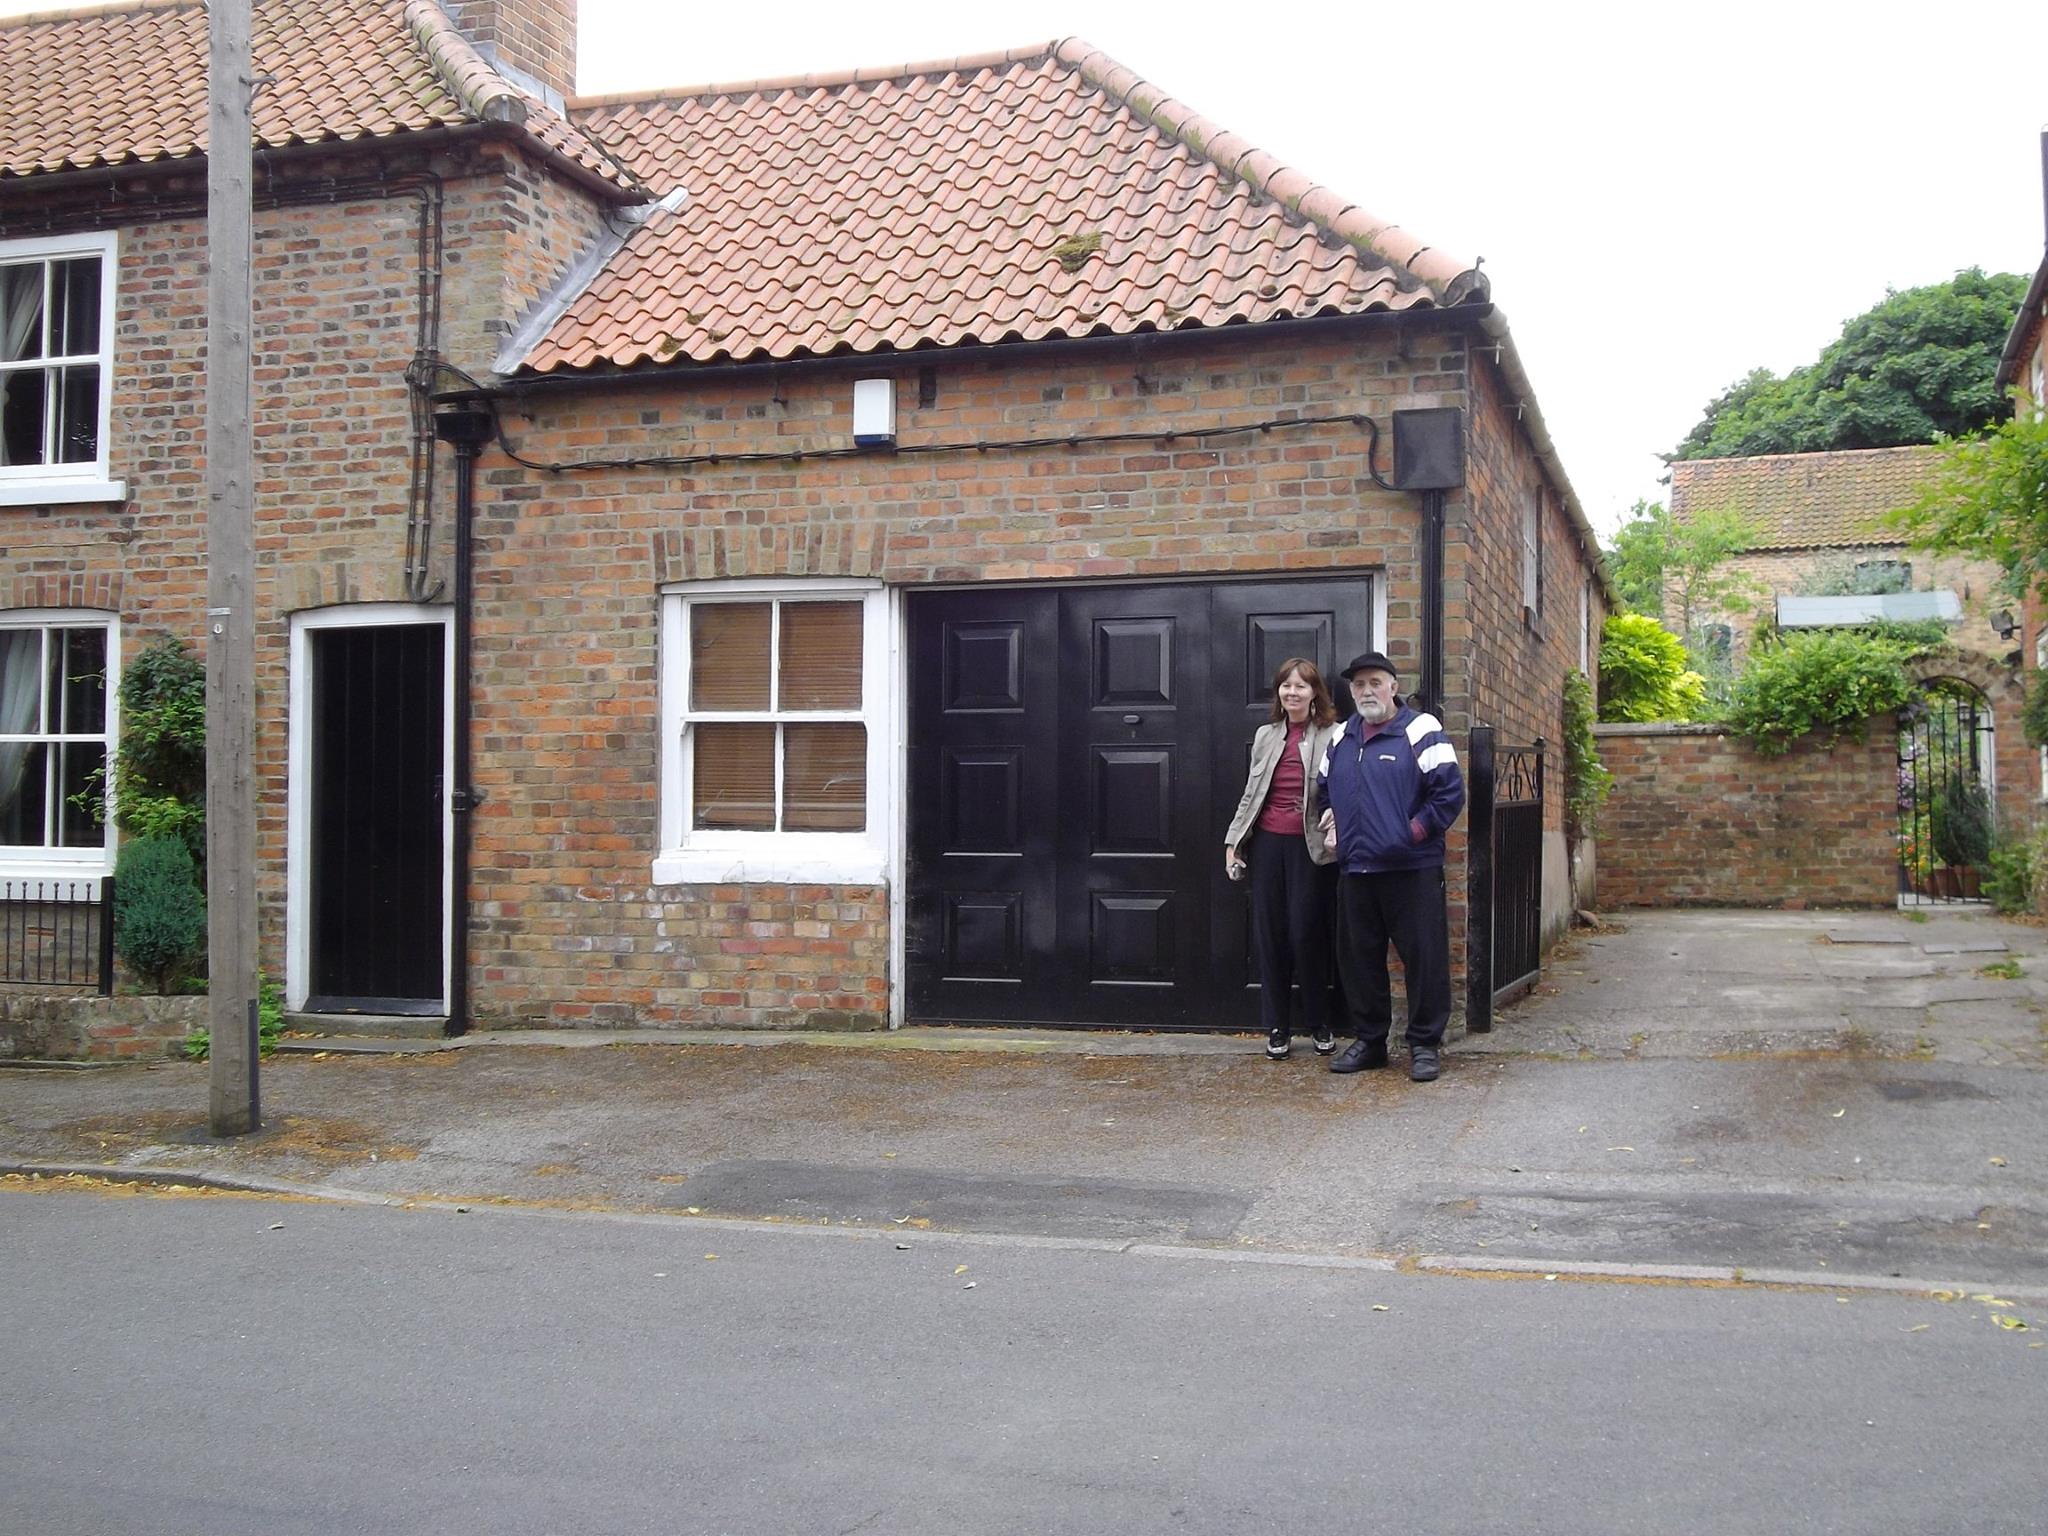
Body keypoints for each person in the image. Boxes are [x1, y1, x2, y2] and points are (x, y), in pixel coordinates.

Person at [1315, 652, 1466, 1082]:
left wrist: (1411, 834)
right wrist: (1331, 820)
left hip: (1411, 869)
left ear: (1393, 687)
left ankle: (1424, 1045)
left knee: (1424, 958)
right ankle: (1370, 1042)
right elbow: (1325, 792)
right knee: (1359, 959)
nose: (1366, 691)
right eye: (1359, 684)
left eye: (1375, 682)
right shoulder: (1341, 737)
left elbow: (1449, 795)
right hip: (1357, 869)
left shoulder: (1421, 730)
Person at [1223, 658, 1344, 1060]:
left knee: (1306, 934)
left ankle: (1319, 1022)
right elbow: (1251, 793)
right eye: (1286, 686)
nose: (1292, 692)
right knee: (1271, 935)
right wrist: (1233, 842)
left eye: (1301, 686)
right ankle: (1277, 1026)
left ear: (1315, 694)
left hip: (1310, 848)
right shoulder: (1265, 736)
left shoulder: (1333, 734)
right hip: (1268, 846)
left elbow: (1344, 788)